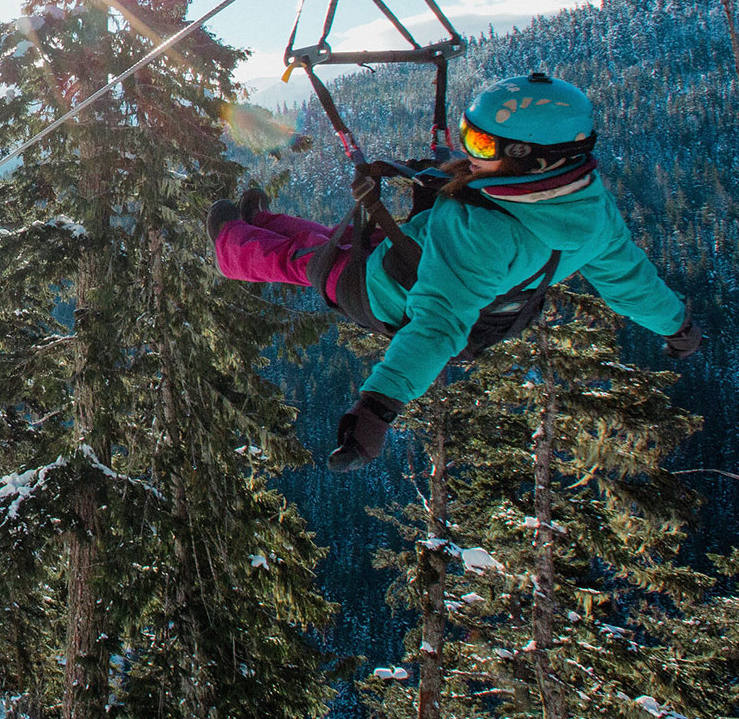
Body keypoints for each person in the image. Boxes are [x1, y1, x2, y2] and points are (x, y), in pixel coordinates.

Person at [208, 72, 701, 472]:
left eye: (483, 144)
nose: (471, 151)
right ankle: (262, 222)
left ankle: (230, 246)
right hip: (415, 255)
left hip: (388, 292)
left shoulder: (487, 234)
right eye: (470, 135)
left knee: (306, 264)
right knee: (331, 242)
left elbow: (438, 326)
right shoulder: (590, 209)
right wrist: (675, 324)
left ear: (528, 158)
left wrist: (377, 407)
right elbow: (628, 278)